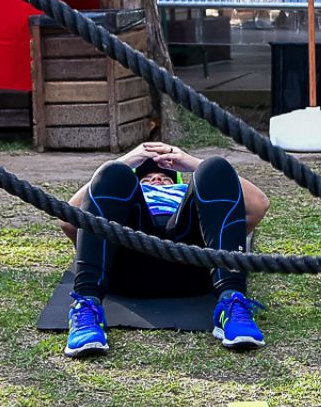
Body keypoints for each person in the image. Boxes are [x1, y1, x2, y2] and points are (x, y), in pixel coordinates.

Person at [61, 142, 270, 357]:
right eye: (148, 179)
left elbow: (259, 204)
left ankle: (231, 305)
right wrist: (121, 164)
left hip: (194, 263)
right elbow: (67, 220)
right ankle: (86, 309)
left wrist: (195, 164)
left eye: (164, 178)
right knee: (112, 172)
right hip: (129, 262)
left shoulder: (189, 196)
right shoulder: (128, 197)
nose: (157, 179)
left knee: (214, 166)